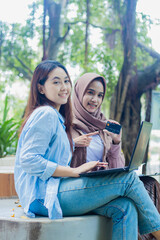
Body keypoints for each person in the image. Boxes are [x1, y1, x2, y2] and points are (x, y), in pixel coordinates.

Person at [14, 62, 160, 240]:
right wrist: (73, 171)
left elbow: (50, 151)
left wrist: (78, 145)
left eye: (66, 81)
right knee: (128, 179)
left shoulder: (59, 119)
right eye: (56, 82)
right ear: (41, 88)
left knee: (125, 207)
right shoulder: (46, 113)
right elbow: (28, 159)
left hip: (55, 191)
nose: (64, 87)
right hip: (43, 195)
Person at [70, 72, 160, 240]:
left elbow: (118, 170)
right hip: (76, 190)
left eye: (99, 95)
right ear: (78, 92)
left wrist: (116, 144)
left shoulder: (104, 126)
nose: (95, 100)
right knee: (130, 181)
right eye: (89, 92)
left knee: (132, 201)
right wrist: (73, 143)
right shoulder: (67, 125)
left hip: (101, 189)